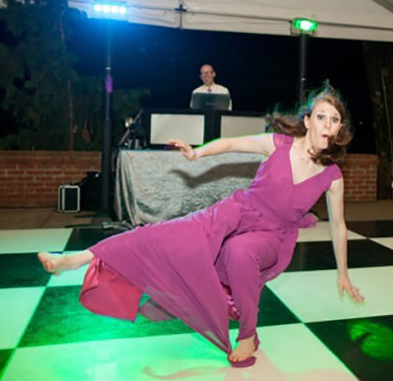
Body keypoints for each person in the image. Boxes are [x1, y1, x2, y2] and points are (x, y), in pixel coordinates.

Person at [38, 85, 364, 367]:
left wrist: (344, 273)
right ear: (307, 121)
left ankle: (248, 336)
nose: (327, 124)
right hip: (240, 210)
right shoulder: (277, 144)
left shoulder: (332, 177)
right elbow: (231, 144)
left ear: (338, 130)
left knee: (239, 252)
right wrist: (196, 154)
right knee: (170, 232)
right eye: (321, 116)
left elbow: (338, 226)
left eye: (334, 120)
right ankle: (83, 257)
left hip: (274, 236)